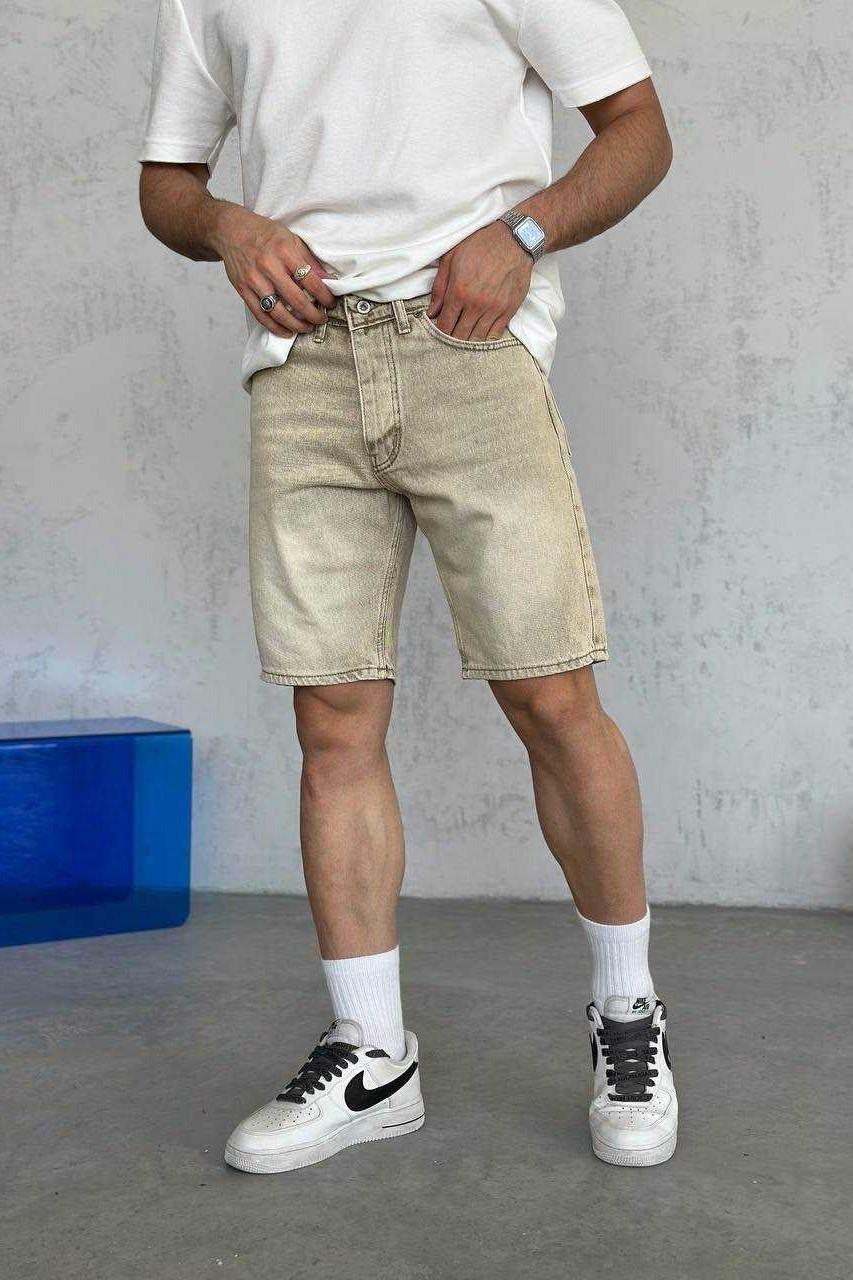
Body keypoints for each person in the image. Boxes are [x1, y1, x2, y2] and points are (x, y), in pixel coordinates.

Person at [139, 0, 676, 1172]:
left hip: (469, 347)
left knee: (550, 694)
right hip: (303, 361)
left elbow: (638, 128)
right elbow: (167, 181)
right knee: (331, 715)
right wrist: (228, 226)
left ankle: (628, 1012)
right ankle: (372, 1055)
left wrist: (523, 232)